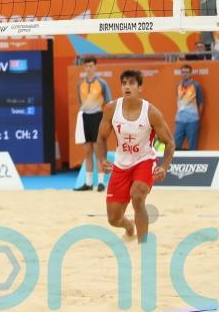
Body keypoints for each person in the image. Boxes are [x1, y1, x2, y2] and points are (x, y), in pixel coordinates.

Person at [96, 70, 174, 243]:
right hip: (121, 164)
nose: (127, 87)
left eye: (131, 83)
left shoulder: (151, 112)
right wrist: (102, 159)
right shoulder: (111, 109)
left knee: (137, 197)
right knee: (113, 219)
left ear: (140, 88)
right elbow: (100, 138)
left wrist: (164, 167)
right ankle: (129, 226)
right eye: (124, 83)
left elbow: (170, 143)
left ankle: (143, 244)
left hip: (144, 160)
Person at [73, 57, 111, 192]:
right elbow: (81, 102)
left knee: (99, 152)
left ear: (95, 67)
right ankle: (88, 183)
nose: (88, 69)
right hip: (85, 118)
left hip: (97, 118)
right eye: (86, 66)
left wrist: (107, 121)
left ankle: (100, 183)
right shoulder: (80, 85)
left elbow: (109, 102)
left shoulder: (102, 84)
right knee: (87, 151)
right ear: (84, 68)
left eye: (91, 66)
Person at [174, 64, 203, 150]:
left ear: (190, 73)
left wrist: (198, 117)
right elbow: (177, 99)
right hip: (180, 120)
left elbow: (201, 102)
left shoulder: (196, 85)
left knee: (192, 146)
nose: (185, 74)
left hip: (192, 120)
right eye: (183, 72)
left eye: (187, 72)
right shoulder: (178, 85)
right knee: (175, 145)